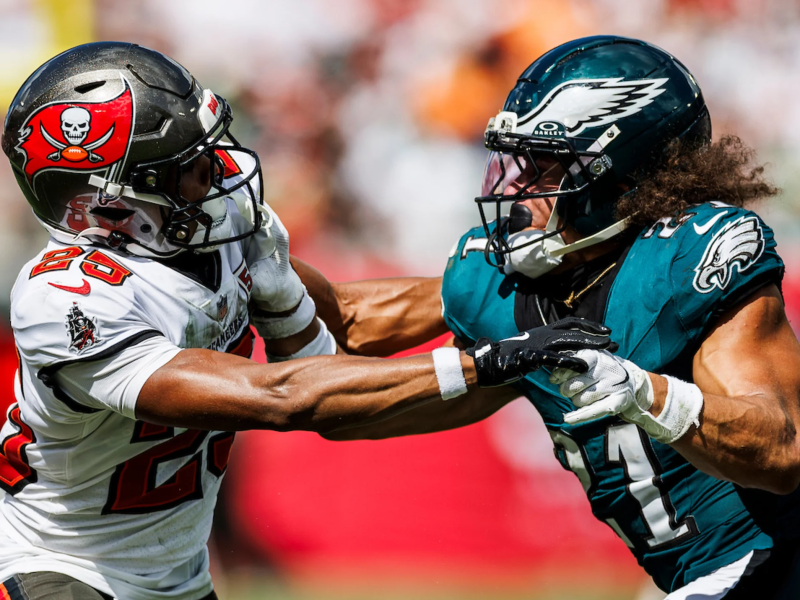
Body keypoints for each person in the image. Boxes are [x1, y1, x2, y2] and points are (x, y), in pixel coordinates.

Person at [0, 43, 614, 600]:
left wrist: (537, 280)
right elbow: (285, 396)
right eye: (189, 164)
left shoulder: (218, 240)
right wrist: (481, 363)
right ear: (114, 202)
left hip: (174, 579)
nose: (221, 170)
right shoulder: (65, 298)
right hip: (60, 571)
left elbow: (333, 346)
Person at [300, 36, 800, 599]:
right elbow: (352, 323)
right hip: (697, 580)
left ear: (620, 178)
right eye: (513, 161)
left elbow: (782, 450)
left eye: (541, 167)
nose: (513, 186)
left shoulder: (686, 258)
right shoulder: (502, 281)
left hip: (776, 558)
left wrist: (651, 396)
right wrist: (252, 263)